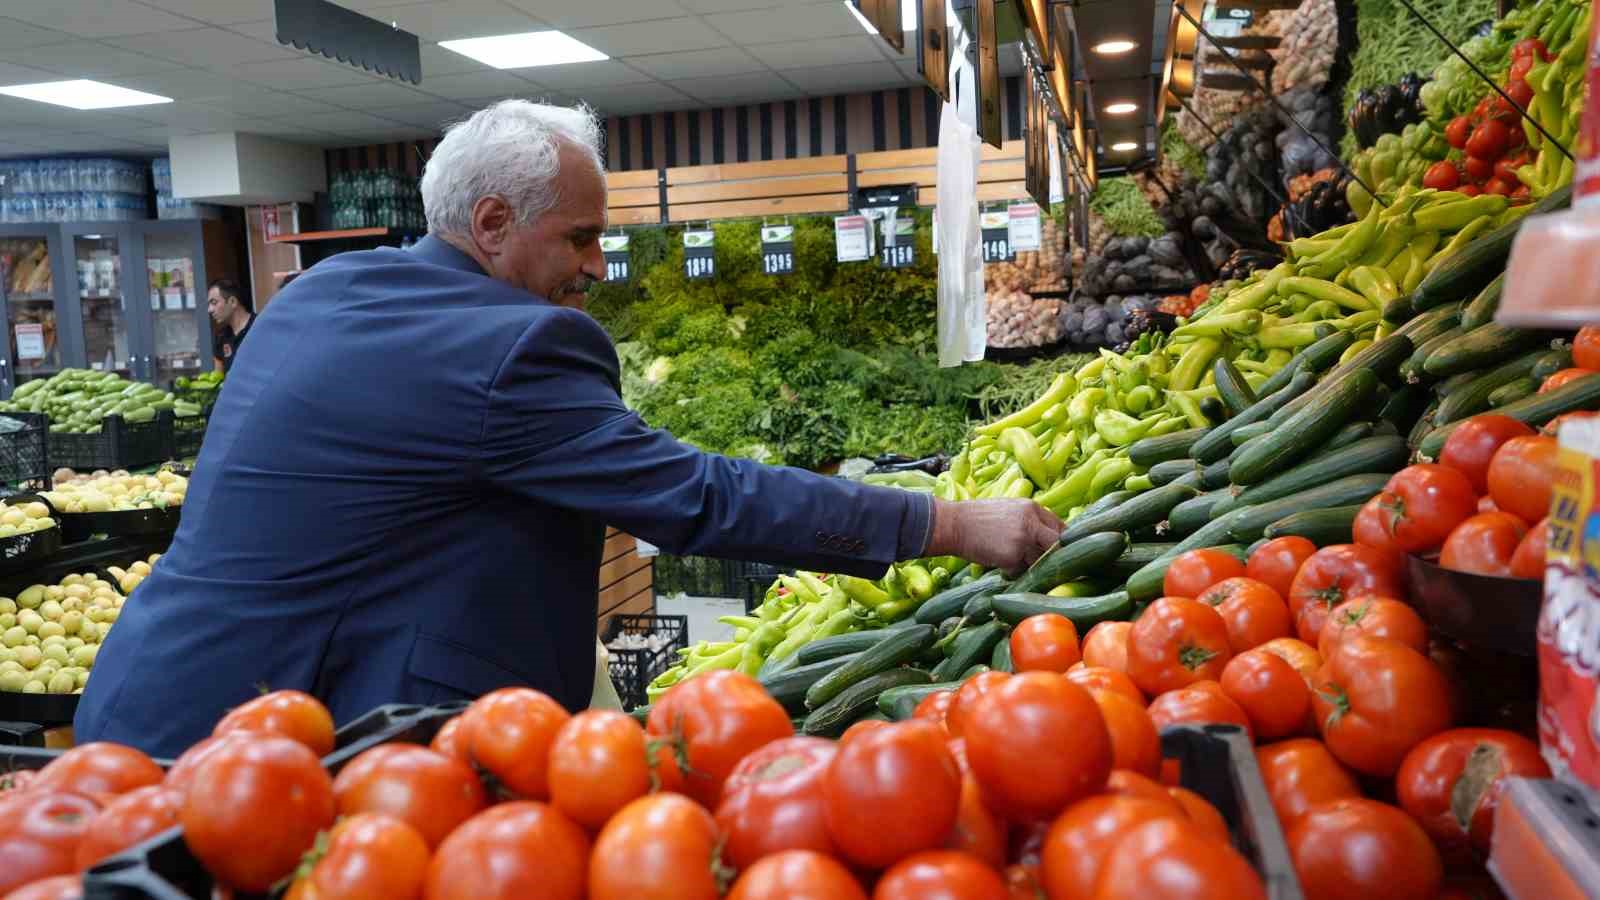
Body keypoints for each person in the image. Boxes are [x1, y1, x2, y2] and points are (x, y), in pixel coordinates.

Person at [73, 100, 1062, 756]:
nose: (596, 267)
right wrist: (947, 525)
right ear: (494, 222)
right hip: (281, 740)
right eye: (581, 238)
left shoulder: (321, 288)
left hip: (156, 697)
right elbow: (698, 499)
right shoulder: (516, 345)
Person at [206, 278, 254, 374]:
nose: (210, 310)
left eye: (214, 303)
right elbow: (217, 378)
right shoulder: (221, 337)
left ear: (232, 302)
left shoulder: (259, 327)